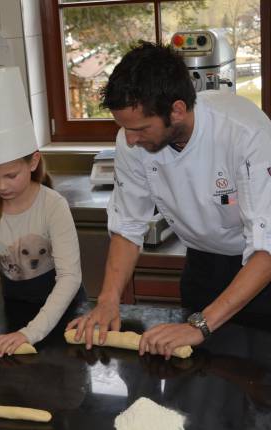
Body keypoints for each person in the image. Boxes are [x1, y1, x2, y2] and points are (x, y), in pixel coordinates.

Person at [67, 40, 271, 359]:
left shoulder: (245, 133)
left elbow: (266, 249)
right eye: (125, 129)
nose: (130, 140)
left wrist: (200, 326)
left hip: (260, 275)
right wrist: (107, 301)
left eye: (140, 128)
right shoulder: (131, 140)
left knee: (258, 383)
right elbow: (128, 225)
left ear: (176, 110)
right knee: (199, 382)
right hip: (202, 266)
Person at [0, 67, 83, 357]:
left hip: (62, 313)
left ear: (33, 162)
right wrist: (20, 332)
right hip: (14, 310)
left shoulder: (52, 205)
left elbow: (70, 277)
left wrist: (30, 333)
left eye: (11, 176)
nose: (0, 186)